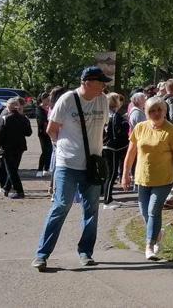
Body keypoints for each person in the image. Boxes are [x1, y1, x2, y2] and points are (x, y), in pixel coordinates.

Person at [32, 66, 111, 272]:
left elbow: (102, 129)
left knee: (91, 211)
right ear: (87, 82)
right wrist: (64, 149)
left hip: (92, 166)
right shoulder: (67, 99)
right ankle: (42, 254)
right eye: (100, 82)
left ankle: (85, 252)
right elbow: (51, 130)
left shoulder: (102, 99)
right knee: (61, 207)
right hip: (67, 164)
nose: (104, 86)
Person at [121, 96, 173, 260]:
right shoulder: (140, 128)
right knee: (145, 213)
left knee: (153, 211)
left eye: (159, 110)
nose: (156, 113)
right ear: (146, 112)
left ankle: (149, 246)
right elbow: (131, 153)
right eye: (152, 111)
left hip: (164, 178)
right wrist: (125, 174)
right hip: (142, 177)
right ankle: (158, 233)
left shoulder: (171, 130)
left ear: (165, 111)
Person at [0, 97, 33, 199]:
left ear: (9, 107)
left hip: (7, 148)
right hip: (20, 147)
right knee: (13, 169)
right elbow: (28, 133)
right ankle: (6, 188)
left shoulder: (5, 119)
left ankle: (19, 191)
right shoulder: (24, 118)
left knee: (11, 170)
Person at [102, 92, 129, 209]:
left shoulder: (106, 114)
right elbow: (117, 134)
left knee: (110, 174)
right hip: (112, 148)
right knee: (111, 175)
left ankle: (110, 198)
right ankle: (107, 201)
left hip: (107, 147)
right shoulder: (115, 116)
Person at [35, 93, 52, 178]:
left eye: (49, 99)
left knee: (50, 151)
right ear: (42, 99)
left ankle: (46, 169)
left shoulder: (50, 107)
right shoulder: (39, 109)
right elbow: (42, 120)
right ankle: (39, 170)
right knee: (45, 151)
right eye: (47, 99)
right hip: (43, 133)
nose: (48, 101)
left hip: (51, 132)